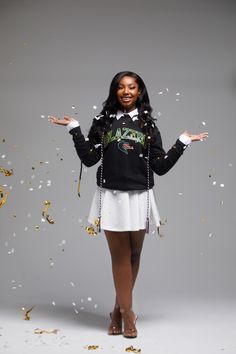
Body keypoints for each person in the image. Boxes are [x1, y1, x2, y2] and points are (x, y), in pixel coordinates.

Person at [49, 71, 208, 339]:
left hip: (140, 196)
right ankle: (129, 315)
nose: (126, 92)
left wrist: (182, 144)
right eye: (121, 87)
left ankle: (116, 311)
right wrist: (74, 129)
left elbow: (160, 167)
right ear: (114, 91)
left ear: (139, 92)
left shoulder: (148, 125)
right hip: (111, 195)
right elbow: (89, 159)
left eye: (132, 87)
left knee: (134, 256)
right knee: (120, 258)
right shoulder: (102, 123)